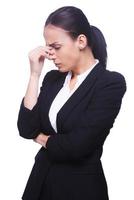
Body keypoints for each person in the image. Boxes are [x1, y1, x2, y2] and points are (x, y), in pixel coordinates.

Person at [17, 6, 126, 200]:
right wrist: (35, 74)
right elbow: (26, 128)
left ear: (81, 41)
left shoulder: (110, 83)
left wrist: (41, 138)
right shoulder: (52, 79)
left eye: (56, 47)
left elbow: (78, 146)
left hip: (80, 189)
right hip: (40, 183)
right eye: (48, 48)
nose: (51, 55)